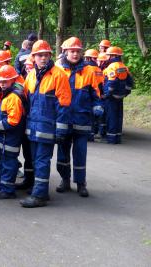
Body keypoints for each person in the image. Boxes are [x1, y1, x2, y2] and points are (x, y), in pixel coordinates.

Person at [20, 40, 71, 208]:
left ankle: (40, 195)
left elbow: (63, 105)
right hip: (33, 127)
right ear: (33, 57)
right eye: (39, 55)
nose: (42, 58)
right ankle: (39, 189)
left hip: (47, 128)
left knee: (41, 161)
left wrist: (61, 131)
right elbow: (26, 101)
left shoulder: (58, 75)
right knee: (35, 160)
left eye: (45, 55)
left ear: (50, 55)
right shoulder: (32, 75)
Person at [55, 37, 103, 197]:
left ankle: (81, 183)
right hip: (63, 119)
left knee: (80, 152)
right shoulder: (58, 69)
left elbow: (95, 92)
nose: (75, 54)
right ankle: (65, 180)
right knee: (62, 152)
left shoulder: (89, 70)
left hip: (82, 118)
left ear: (81, 53)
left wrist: (97, 105)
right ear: (65, 52)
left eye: (77, 51)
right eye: (72, 51)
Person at [0, 65, 26, 199]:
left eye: (5, 81)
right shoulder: (7, 94)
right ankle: (2, 186)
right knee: (4, 162)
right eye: (1, 82)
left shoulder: (13, 97)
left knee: (9, 163)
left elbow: (13, 121)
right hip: (5, 138)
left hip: (10, 138)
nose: (2, 84)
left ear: (13, 80)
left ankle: (7, 190)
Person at [103, 46, 133, 144]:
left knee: (111, 117)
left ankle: (111, 138)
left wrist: (106, 94)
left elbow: (111, 83)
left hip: (112, 97)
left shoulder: (112, 67)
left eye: (108, 55)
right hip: (120, 96)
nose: (107, 57)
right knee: (119, 116)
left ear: (113, 56)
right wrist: (126, 93)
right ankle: (118, 137)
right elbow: (130, 82)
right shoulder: (124, 67)